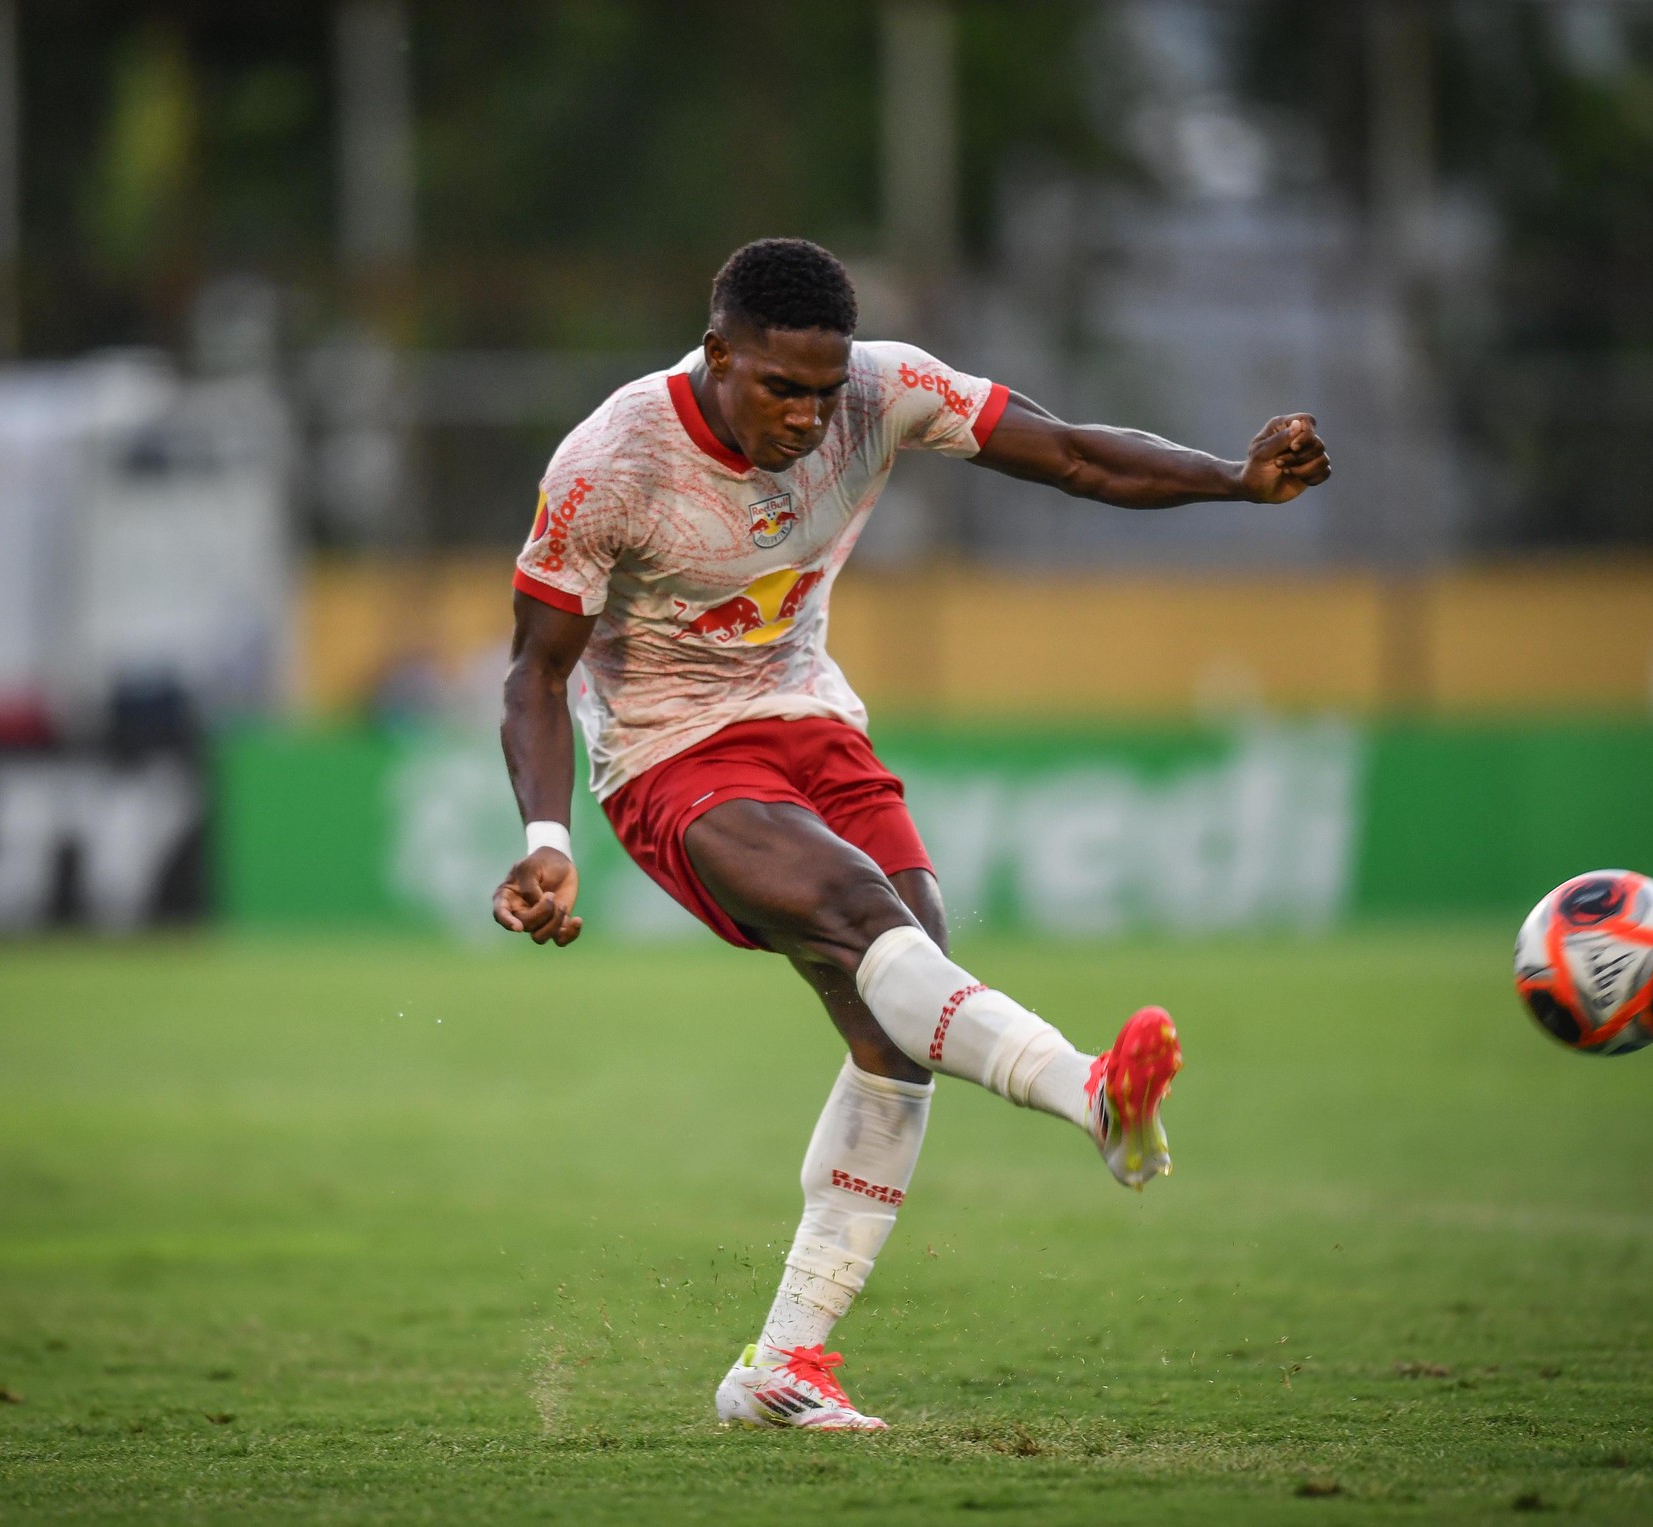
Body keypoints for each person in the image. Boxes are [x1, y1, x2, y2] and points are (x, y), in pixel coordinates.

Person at [492, 238, 1331, 1430]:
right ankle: (1092, 1095)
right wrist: (547, 836)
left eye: (822, 390)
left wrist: (1234, 481)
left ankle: (779, 1369)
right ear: (717, 353)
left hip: (812, 722)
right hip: (671, 756)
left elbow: (1077, 456)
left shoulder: (881, 390)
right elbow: (535, 669)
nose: (807, 414)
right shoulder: (609, 464)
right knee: (861, 920)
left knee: (902, 1016)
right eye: (779, 387)